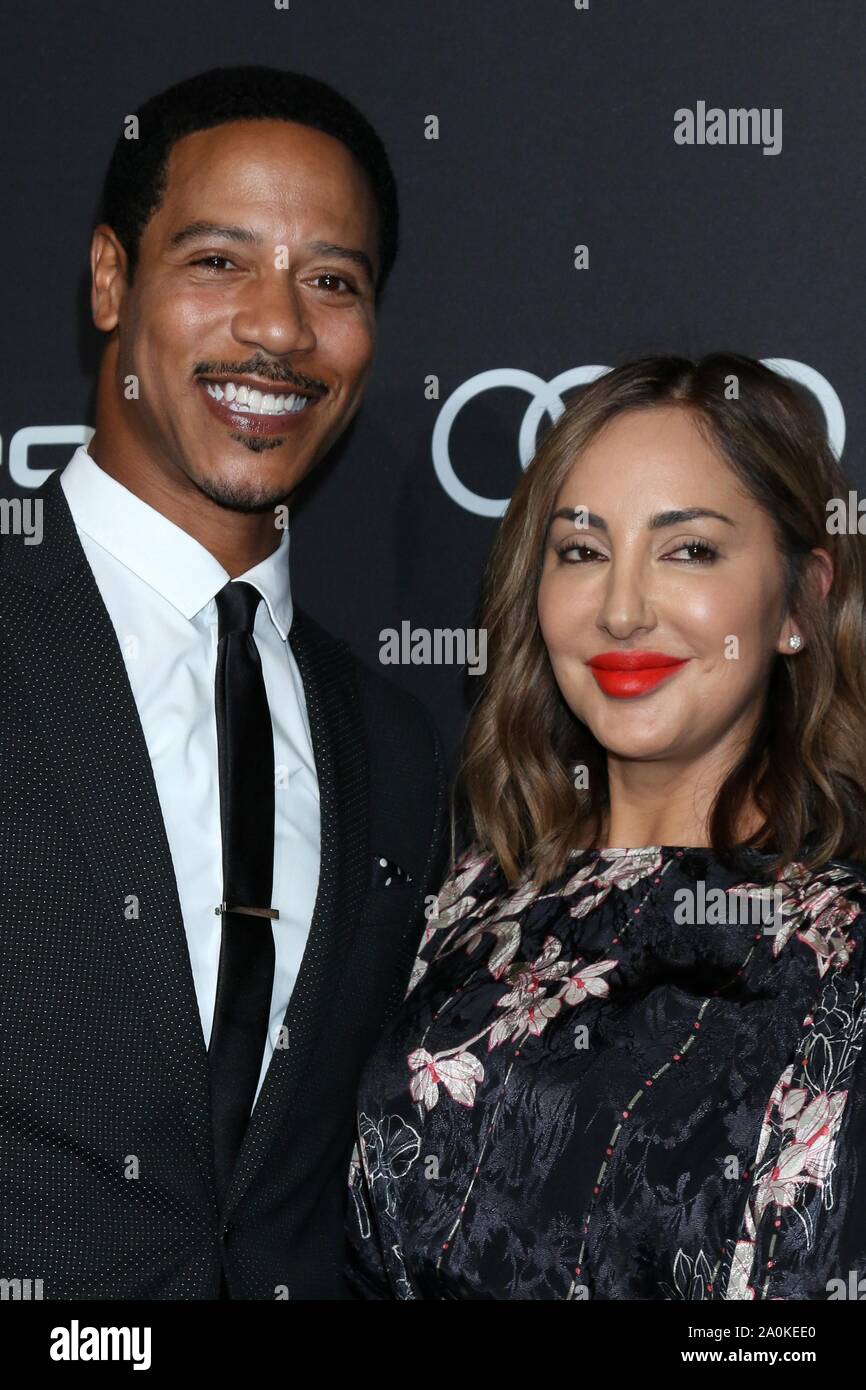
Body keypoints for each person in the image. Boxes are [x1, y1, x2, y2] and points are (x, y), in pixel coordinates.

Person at [0, 65, 448, 1300]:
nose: (279, 327)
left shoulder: (399, 747)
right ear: (109, 279)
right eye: (218, 261)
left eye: (332, 281)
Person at [346, 353, 866, 1300]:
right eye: (582, 552)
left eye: (689, 550)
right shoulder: (471, 899)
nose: (622, 610)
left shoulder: (843, 947)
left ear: (799, 602)